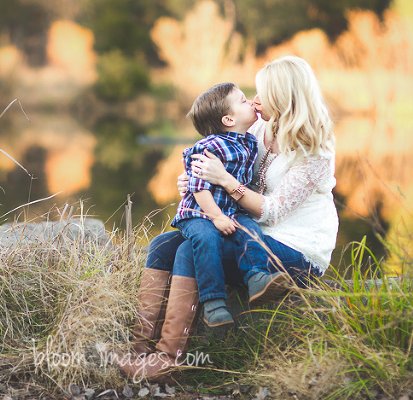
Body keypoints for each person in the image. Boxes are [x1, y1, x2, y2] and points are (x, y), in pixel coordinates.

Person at [115, 55, 338, 384]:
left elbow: (270, 209)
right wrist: (196, 180)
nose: (256, 100)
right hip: (249, 231)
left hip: (295, 249)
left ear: (285, 97)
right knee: (164, 244)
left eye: (263, 94)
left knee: (190, 251)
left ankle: (168, 358)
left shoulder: (315, 149)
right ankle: (139, 347)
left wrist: (224, 181)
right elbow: (224, 166)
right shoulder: (260, 127)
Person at [170, 82, 259, 328]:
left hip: (229, 211)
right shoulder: (211, 146)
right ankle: (213, 303)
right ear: (229, 120)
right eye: (243, 100)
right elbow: (198, 187)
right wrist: (217, 216)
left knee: (251, 229)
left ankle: (258, 277)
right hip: (199, 212)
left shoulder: (249, 141)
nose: (251, 102)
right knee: (205, 238)